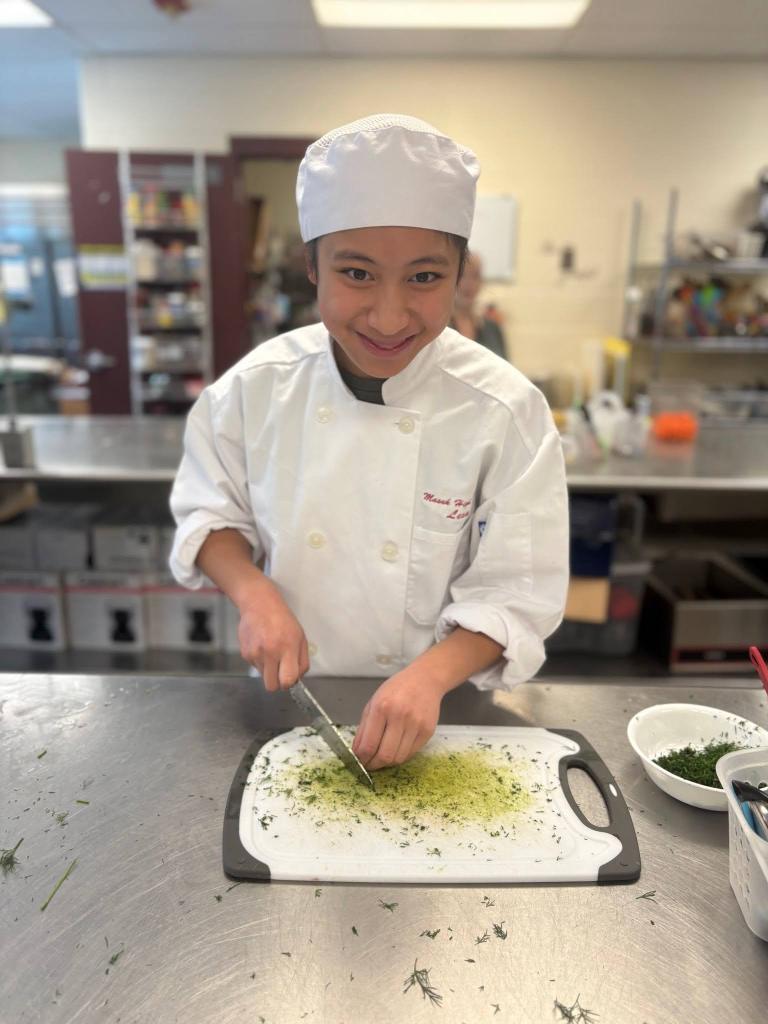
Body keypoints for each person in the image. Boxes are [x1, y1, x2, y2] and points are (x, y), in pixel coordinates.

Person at [169, 114, 569, 772]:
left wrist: (430, 676)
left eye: (423, 278)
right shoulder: (253, 390)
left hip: (446, 713)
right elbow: (208, 513)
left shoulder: (506, 411)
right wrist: (254, 593)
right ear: (312, 268)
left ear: (460, 275)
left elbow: (517, 593)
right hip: (287, 702)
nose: (387, 316)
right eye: (356, 274)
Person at [450, 251, 509, 360]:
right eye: (463, 275)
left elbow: (505, 366)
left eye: (475, 276)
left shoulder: (492, 329)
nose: (469, 284)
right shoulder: (438, 329)